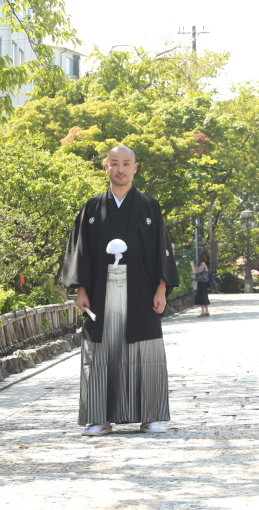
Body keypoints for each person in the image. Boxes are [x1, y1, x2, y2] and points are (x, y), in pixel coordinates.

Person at [62, 145, 180, 436]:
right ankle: (99, 418)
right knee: (101, 351)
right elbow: (81, 252)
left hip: (141, 290)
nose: (120, 169)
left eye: (126, 163)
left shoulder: (149, 206)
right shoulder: (92, 208)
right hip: (102, 291)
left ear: (135, 167)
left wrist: (162, 289)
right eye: (115, 163)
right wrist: (82, 290)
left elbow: (160, 251)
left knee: (146, 351)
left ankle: (150, 416)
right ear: (106, 167)